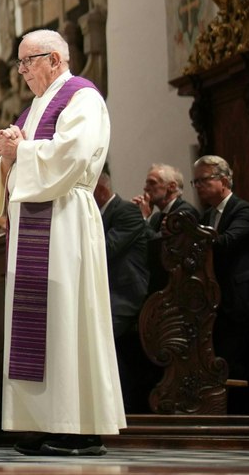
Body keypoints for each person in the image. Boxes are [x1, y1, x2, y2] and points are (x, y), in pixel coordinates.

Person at [0, 29, 124, 456]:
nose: (23, 70)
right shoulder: (34, 109)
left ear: (56, 59)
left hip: (65, 221)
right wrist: (8, 159)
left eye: (29, 61)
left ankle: (79, 425)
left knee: (69, 317)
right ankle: (41, 421)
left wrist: (21, 152)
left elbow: (74, 155)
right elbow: (22, 164)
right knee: (40, 324)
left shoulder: (82, 96)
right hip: (32, 221)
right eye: (21, 63)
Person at [192, 155, 249, 407]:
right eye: (196, 182)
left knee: (245, 362)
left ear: (223, 180)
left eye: (203, 180)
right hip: (216, 301)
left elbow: (226, 242)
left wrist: (194, 237)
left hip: (243, 300)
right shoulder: (206, 216)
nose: (199, 186)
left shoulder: (243, 210)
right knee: (224, 362)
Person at [93, 170, 152, 413]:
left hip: (126, 296)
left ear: (102, 189)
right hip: (109, 294)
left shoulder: (125, 211)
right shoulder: (102, 214)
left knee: (99, 338)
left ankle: (123, 407)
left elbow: (106, 250)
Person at [132, 164, 200, 295]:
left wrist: (143, 218)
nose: (145, 188)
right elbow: (144, 248)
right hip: (158, 284)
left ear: (172, 187)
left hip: (178, 288)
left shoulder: (184, 212)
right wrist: (132, 216)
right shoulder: (157, 217)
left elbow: (158, 247)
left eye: (152, 183)